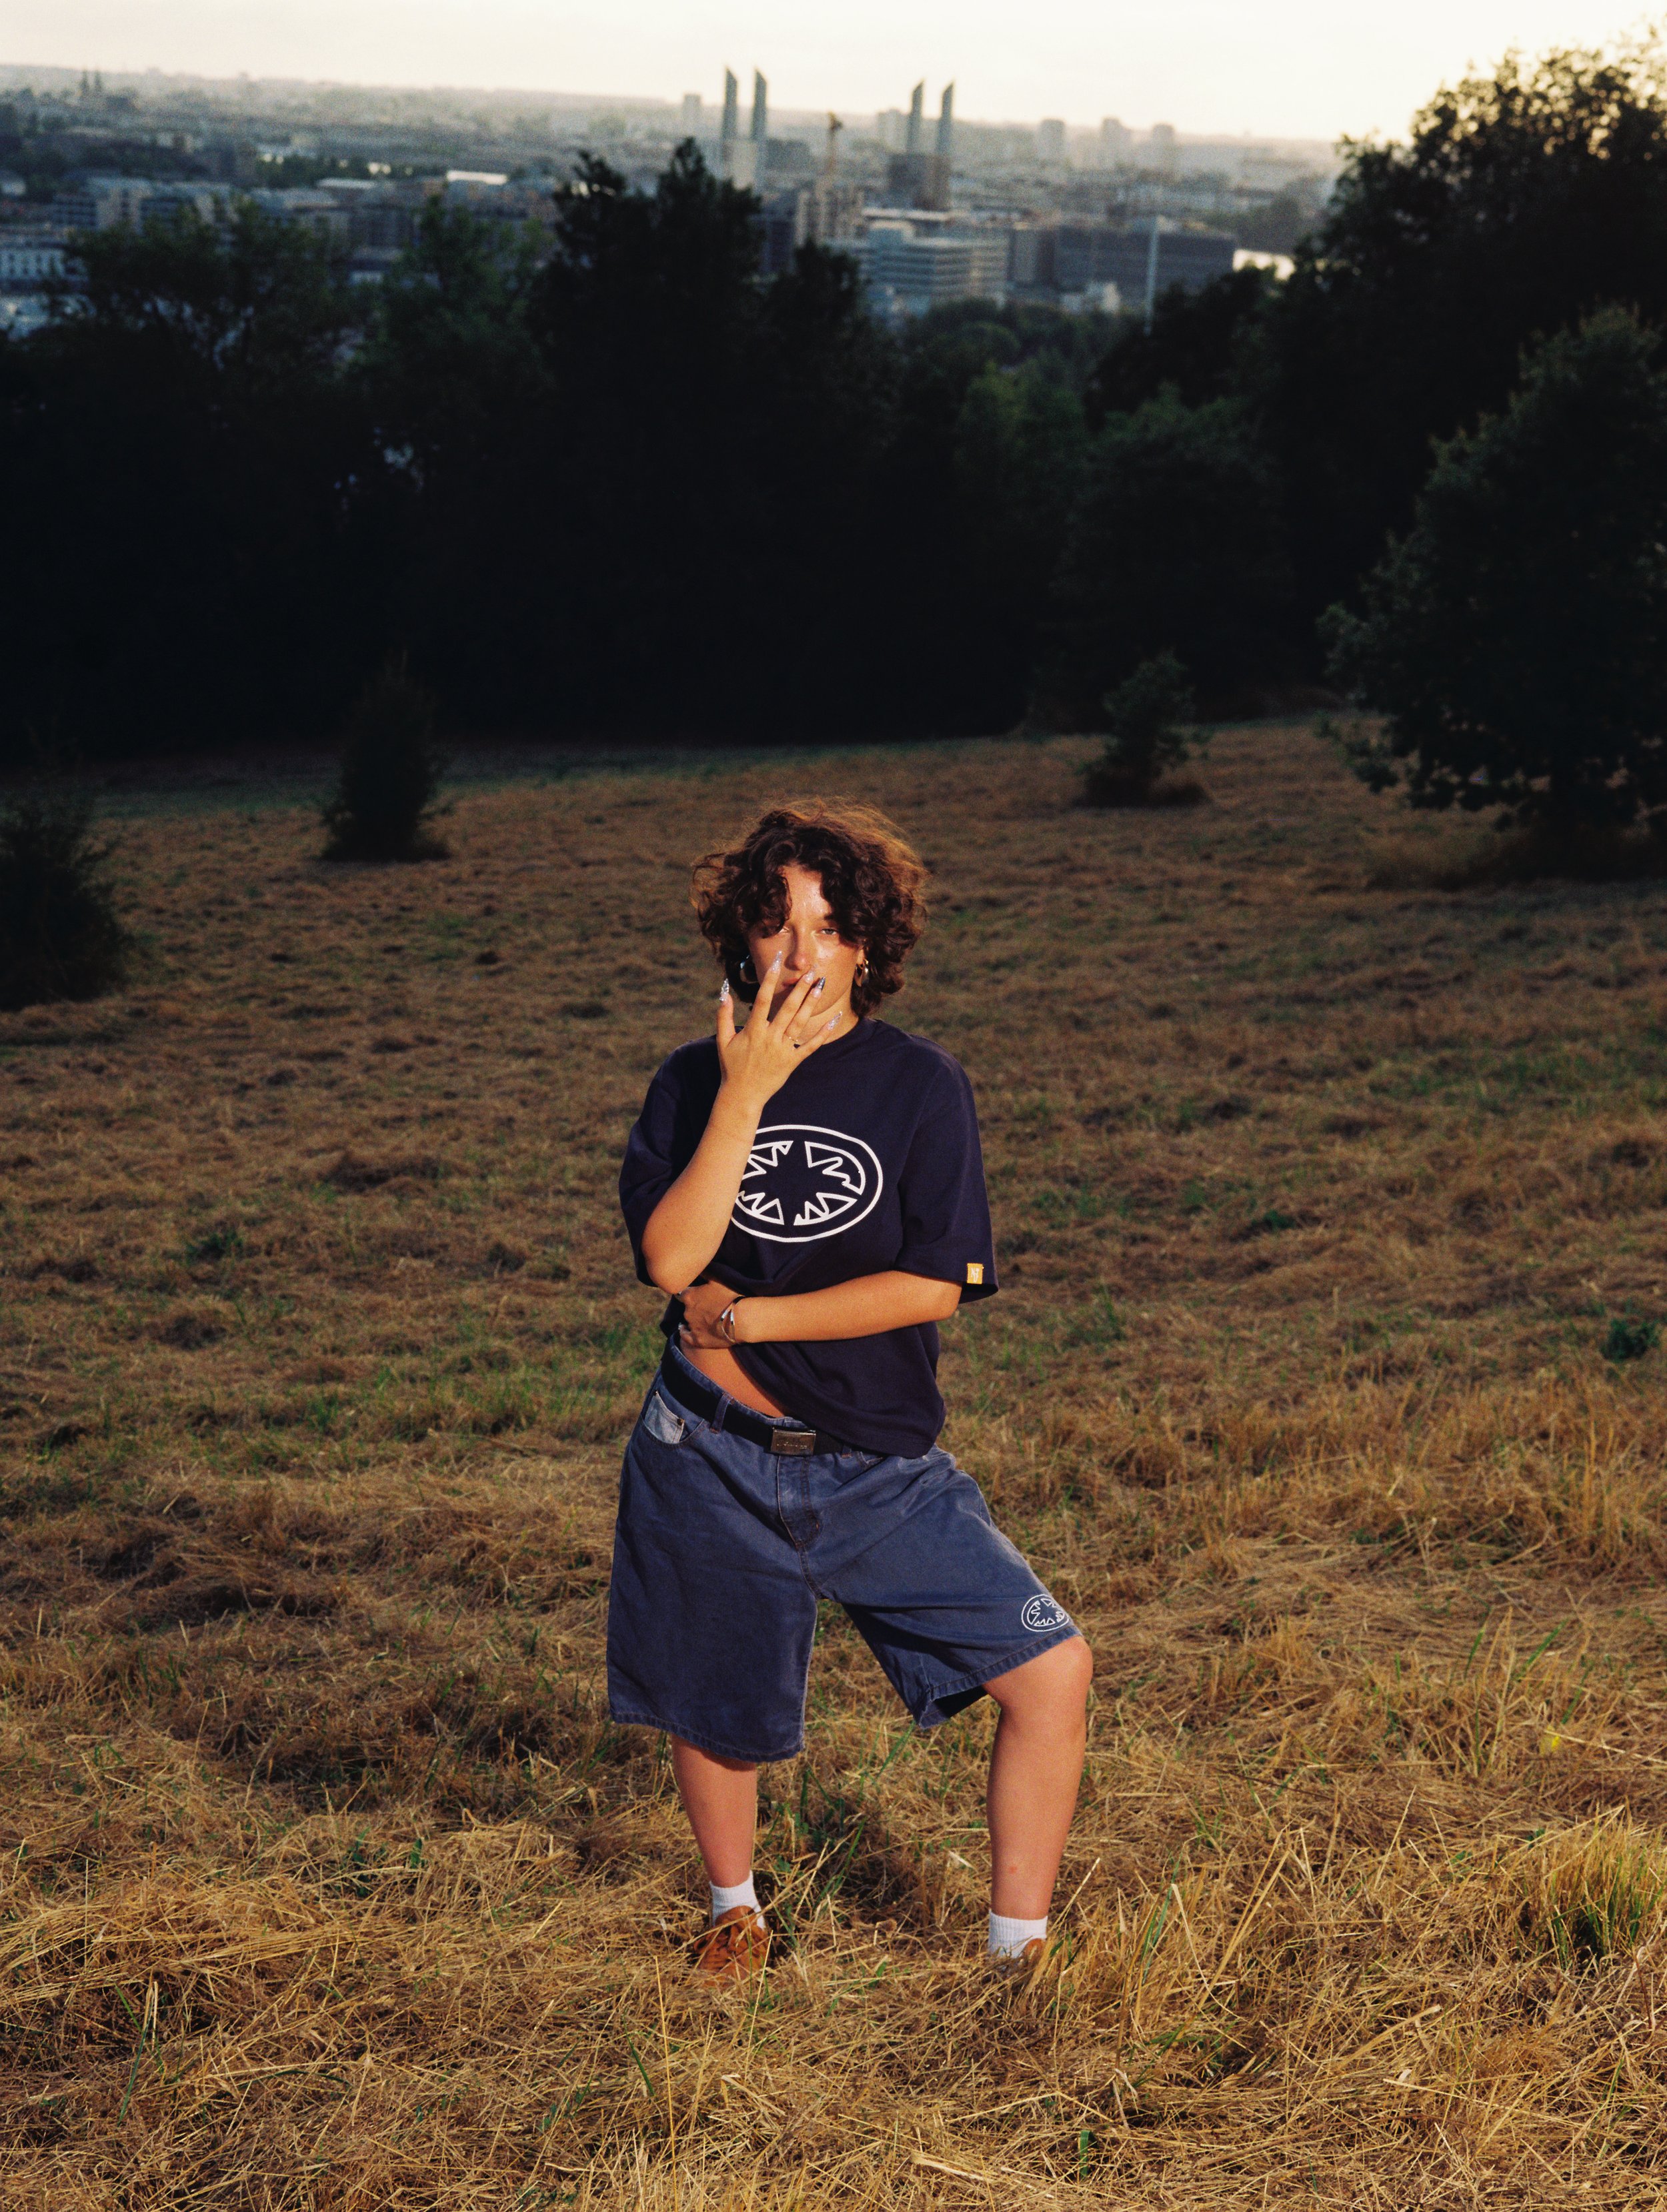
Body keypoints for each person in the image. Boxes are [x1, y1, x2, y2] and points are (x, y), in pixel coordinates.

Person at [611, 800, 1092, 1985]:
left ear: (868, 946)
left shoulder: (922, 1086)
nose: (798, 951)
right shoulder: (687, 1085)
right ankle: (737, 1914)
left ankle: (1017, 1955)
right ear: (740, 940)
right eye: (775, 924)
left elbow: (931, 1285)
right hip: (708, 1447)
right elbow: (673, 1263)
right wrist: (745, 1090)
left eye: (828, 926)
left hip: (875, 1462)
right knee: (715, 1702)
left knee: (1052, 1669)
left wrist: (756, 1316)